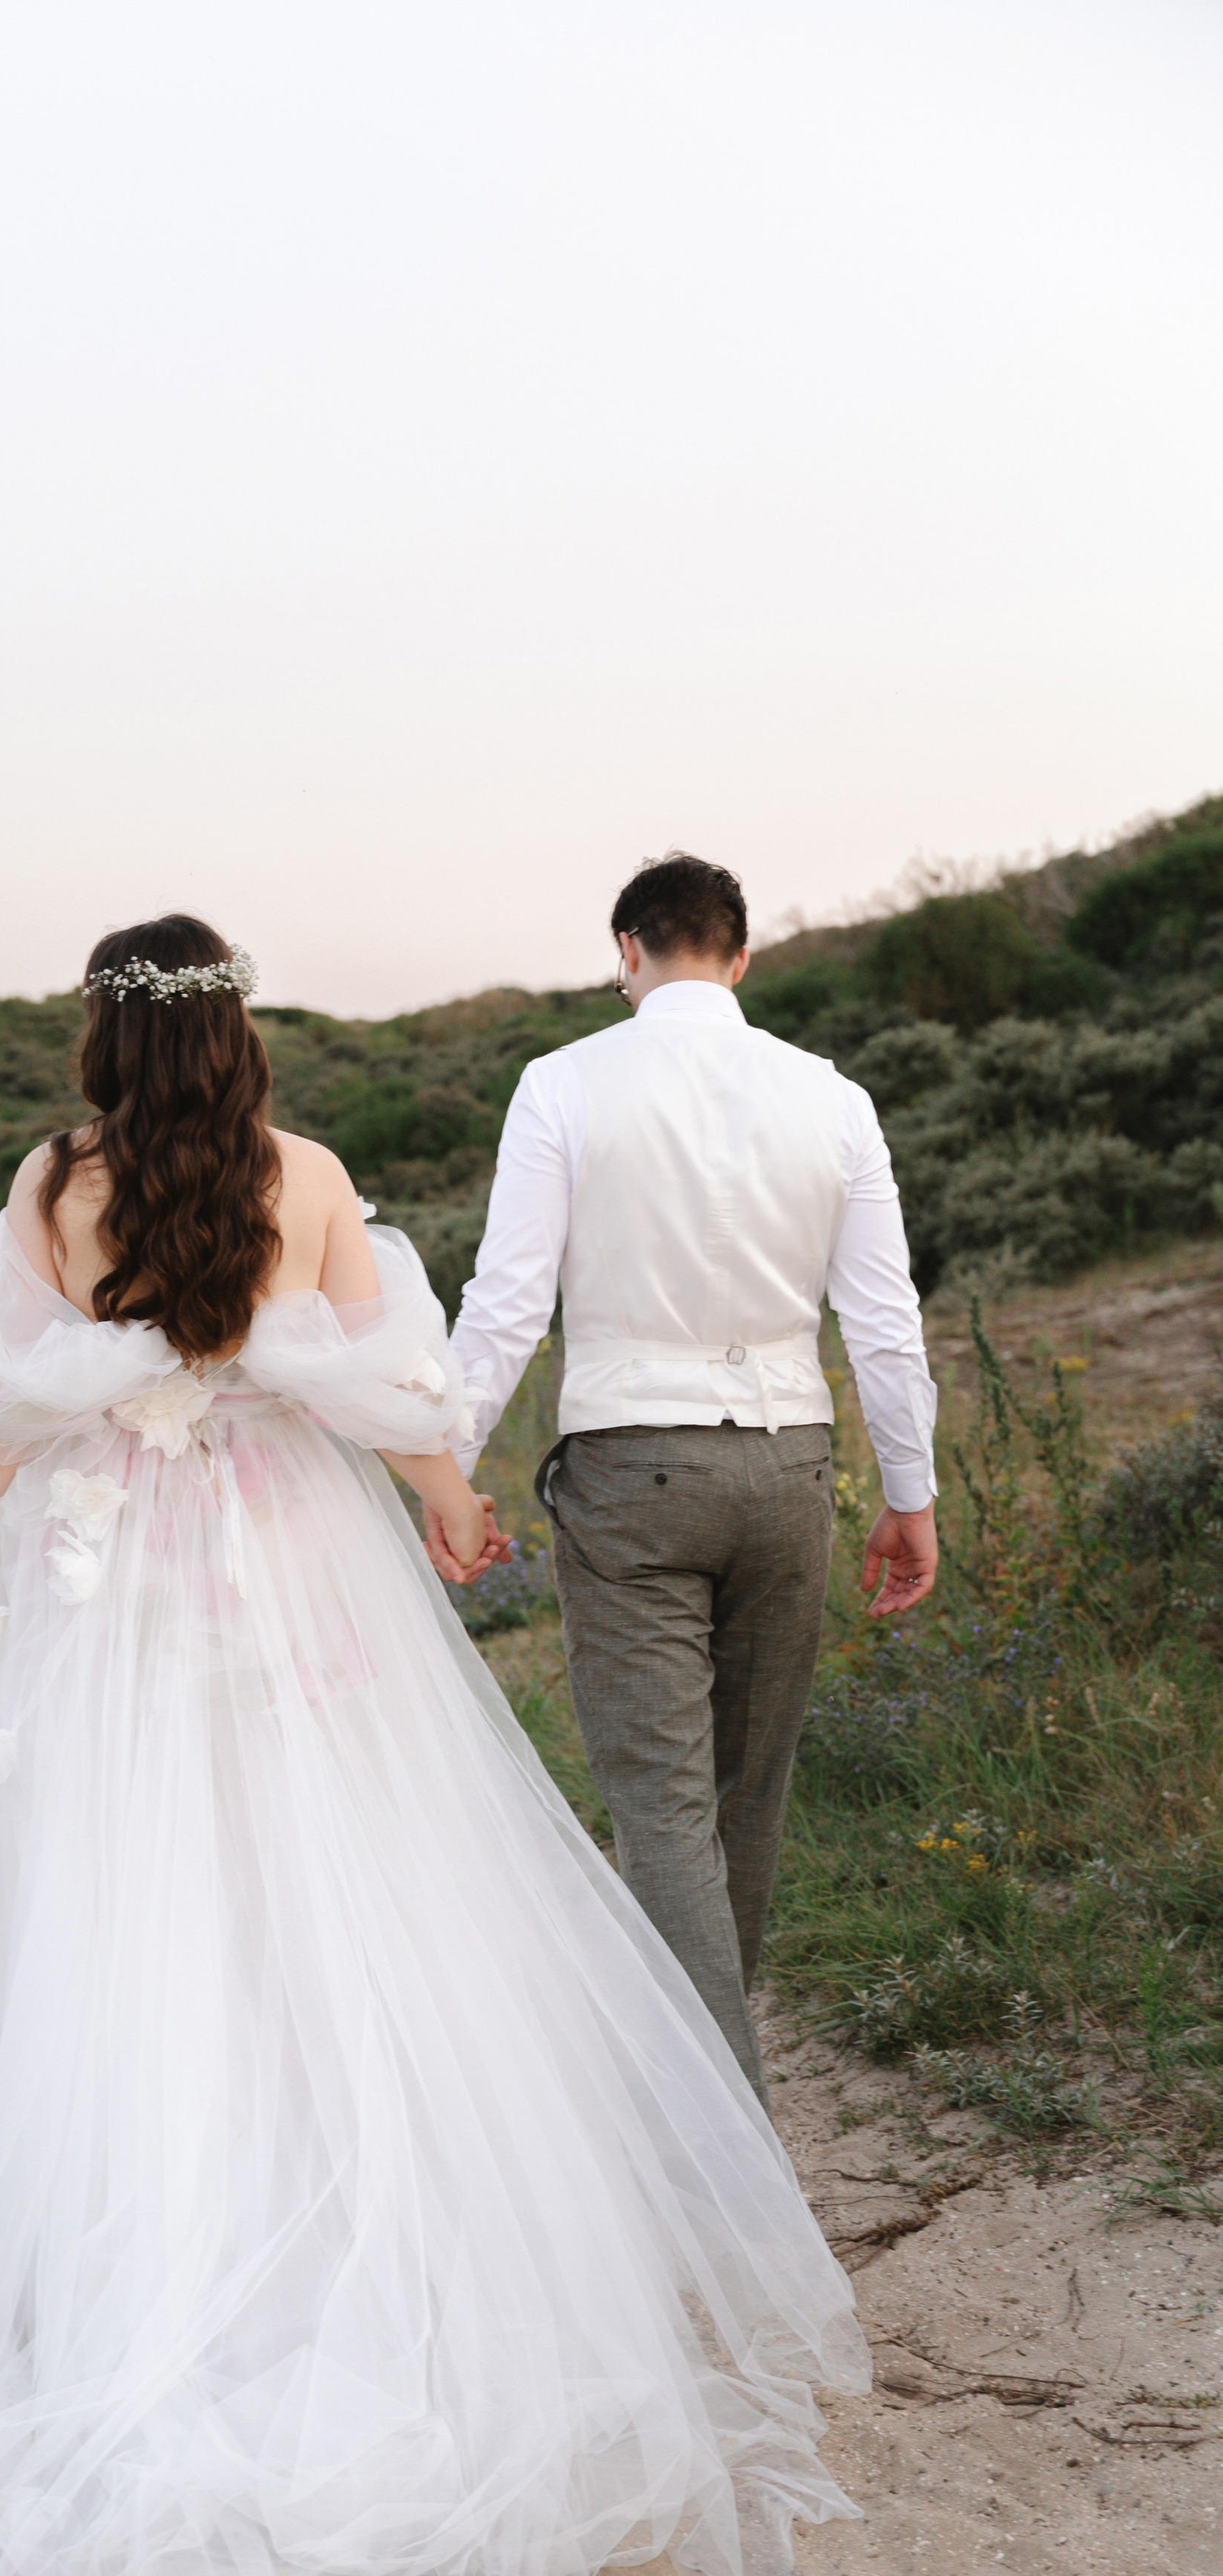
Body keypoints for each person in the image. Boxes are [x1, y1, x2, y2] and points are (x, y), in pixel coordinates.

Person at [0, 913, 867, 2576]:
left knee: (137, 1894)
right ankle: (336, 2217)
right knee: (330, 1875)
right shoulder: (302, 1175)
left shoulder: (55, 1185)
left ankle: (145, 2247)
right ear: (237, 1032)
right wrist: (450, 1501)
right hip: (290, 1570)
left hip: (117, 1581)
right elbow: (387, 1387)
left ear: (104, 1037)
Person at [441, 854, 940, 2105]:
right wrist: (911, 1492)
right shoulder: (833, 1096)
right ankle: (714, 2097)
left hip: (632, 1472)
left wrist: (447, 1471)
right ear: (741, 956)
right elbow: (884, 1320)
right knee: (745, 1797)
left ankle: (717, 2124)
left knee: (661, 1805)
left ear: (627, 950)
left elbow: (507, 1304)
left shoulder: (563, 1084)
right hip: (788, 1469)